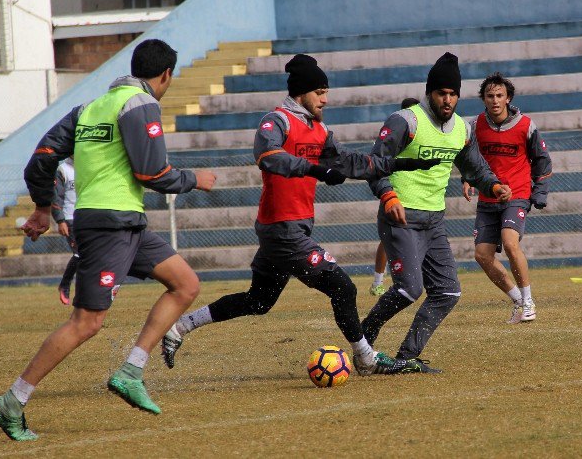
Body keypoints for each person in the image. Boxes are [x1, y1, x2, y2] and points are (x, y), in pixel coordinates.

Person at [0, 39, 217, 441]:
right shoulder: (140, 104)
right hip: (110, 224)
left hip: (122, 222)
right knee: (87, 322)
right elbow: (151, 172)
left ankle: (131, 370)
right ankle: (13, 400)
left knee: (185, 284)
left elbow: (42, 158)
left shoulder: (89, 108)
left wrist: (43, 207)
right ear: (165, 74)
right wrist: (195, 179)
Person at [161, 54, 439, 378]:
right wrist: (315, 169)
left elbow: (351, 163)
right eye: (320, 91)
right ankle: (365, 357)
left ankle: (180, 326)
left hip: (292, 229)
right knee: (343, 289)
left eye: (326, 91)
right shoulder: (276, 121)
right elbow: (268, 156)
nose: (326, 98)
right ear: (302, 92)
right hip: (283, 230)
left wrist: (400, 163)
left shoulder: (319, 129)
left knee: (259, 300)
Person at [360, 53, 512, 374]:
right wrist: (388, 197)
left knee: (448, 291)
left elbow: (476, 168)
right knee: (409, 288)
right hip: (399, 216)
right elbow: (375, 165)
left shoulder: (462, 129)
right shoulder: (406, 121)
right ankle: (363, 339)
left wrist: (494, 185)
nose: (447, 99)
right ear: (430, 92)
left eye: (452, 94)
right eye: (441, 92)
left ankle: (405, 357)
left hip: (434, 222)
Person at [462, 72, 552, 324]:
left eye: (499, 95)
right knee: (481, 255)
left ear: (508, 97)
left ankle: (529, 302)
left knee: (510, 242)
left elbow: (543, 162)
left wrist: (539, 192)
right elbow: (468, 158)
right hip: (488, 197)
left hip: (518, 194)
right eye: (489, 95)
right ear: (483, 99)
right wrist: (467, 179)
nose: (494, 100)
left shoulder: (526, 125)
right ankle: (517, 301)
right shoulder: (474, 126)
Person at [369, 97, 420, 296]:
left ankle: (406, 279)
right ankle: (378, 282)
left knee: (411, 237)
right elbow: (379, 160)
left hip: (417, 192)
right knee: (388, 239)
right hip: (396, 191)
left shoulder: (420, 132)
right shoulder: (397, 131)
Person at [52, 155, 78, 305]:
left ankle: (84, 294)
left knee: (89, 257)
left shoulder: (89, 166)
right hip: (70, 219)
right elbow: (56, 197)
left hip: (88, 217)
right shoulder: (63, 170)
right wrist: (60, 220)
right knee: (80, 254)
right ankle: (65, 284)